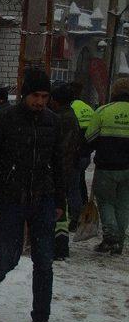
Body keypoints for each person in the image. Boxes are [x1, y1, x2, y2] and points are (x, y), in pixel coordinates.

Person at [0, 69, 65, 322]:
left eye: (45, 97)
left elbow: (60, 164)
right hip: (11, 198)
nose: (40, 101)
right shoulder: (5, 119)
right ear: (25, 94)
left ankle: (40, 320)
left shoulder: (52, 122)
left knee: (44, 262)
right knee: (10, 256)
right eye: (36, 96)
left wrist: (60, 201)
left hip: (43, 199)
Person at [85, 77, 129, 255]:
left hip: (107, 167)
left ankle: (110, 237)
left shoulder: (104, 111)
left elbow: (89, 138)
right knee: (123, 204)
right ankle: (119, 241)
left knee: (106, 202)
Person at [50, 82, 81, 260]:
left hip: (59, 170)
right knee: (61, 207)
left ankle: (58, 246)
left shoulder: (60, 118)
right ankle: (60, 245)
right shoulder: (70, 116)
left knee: (57, 208)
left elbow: (59, 148)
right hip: (67, 168)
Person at [69, 82, 95, 231]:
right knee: (79, 183)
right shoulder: (88, 108)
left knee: (72, 188)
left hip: (75, 154)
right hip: (86, 154)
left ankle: (76, 218)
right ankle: (84, 211)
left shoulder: (71, 109)